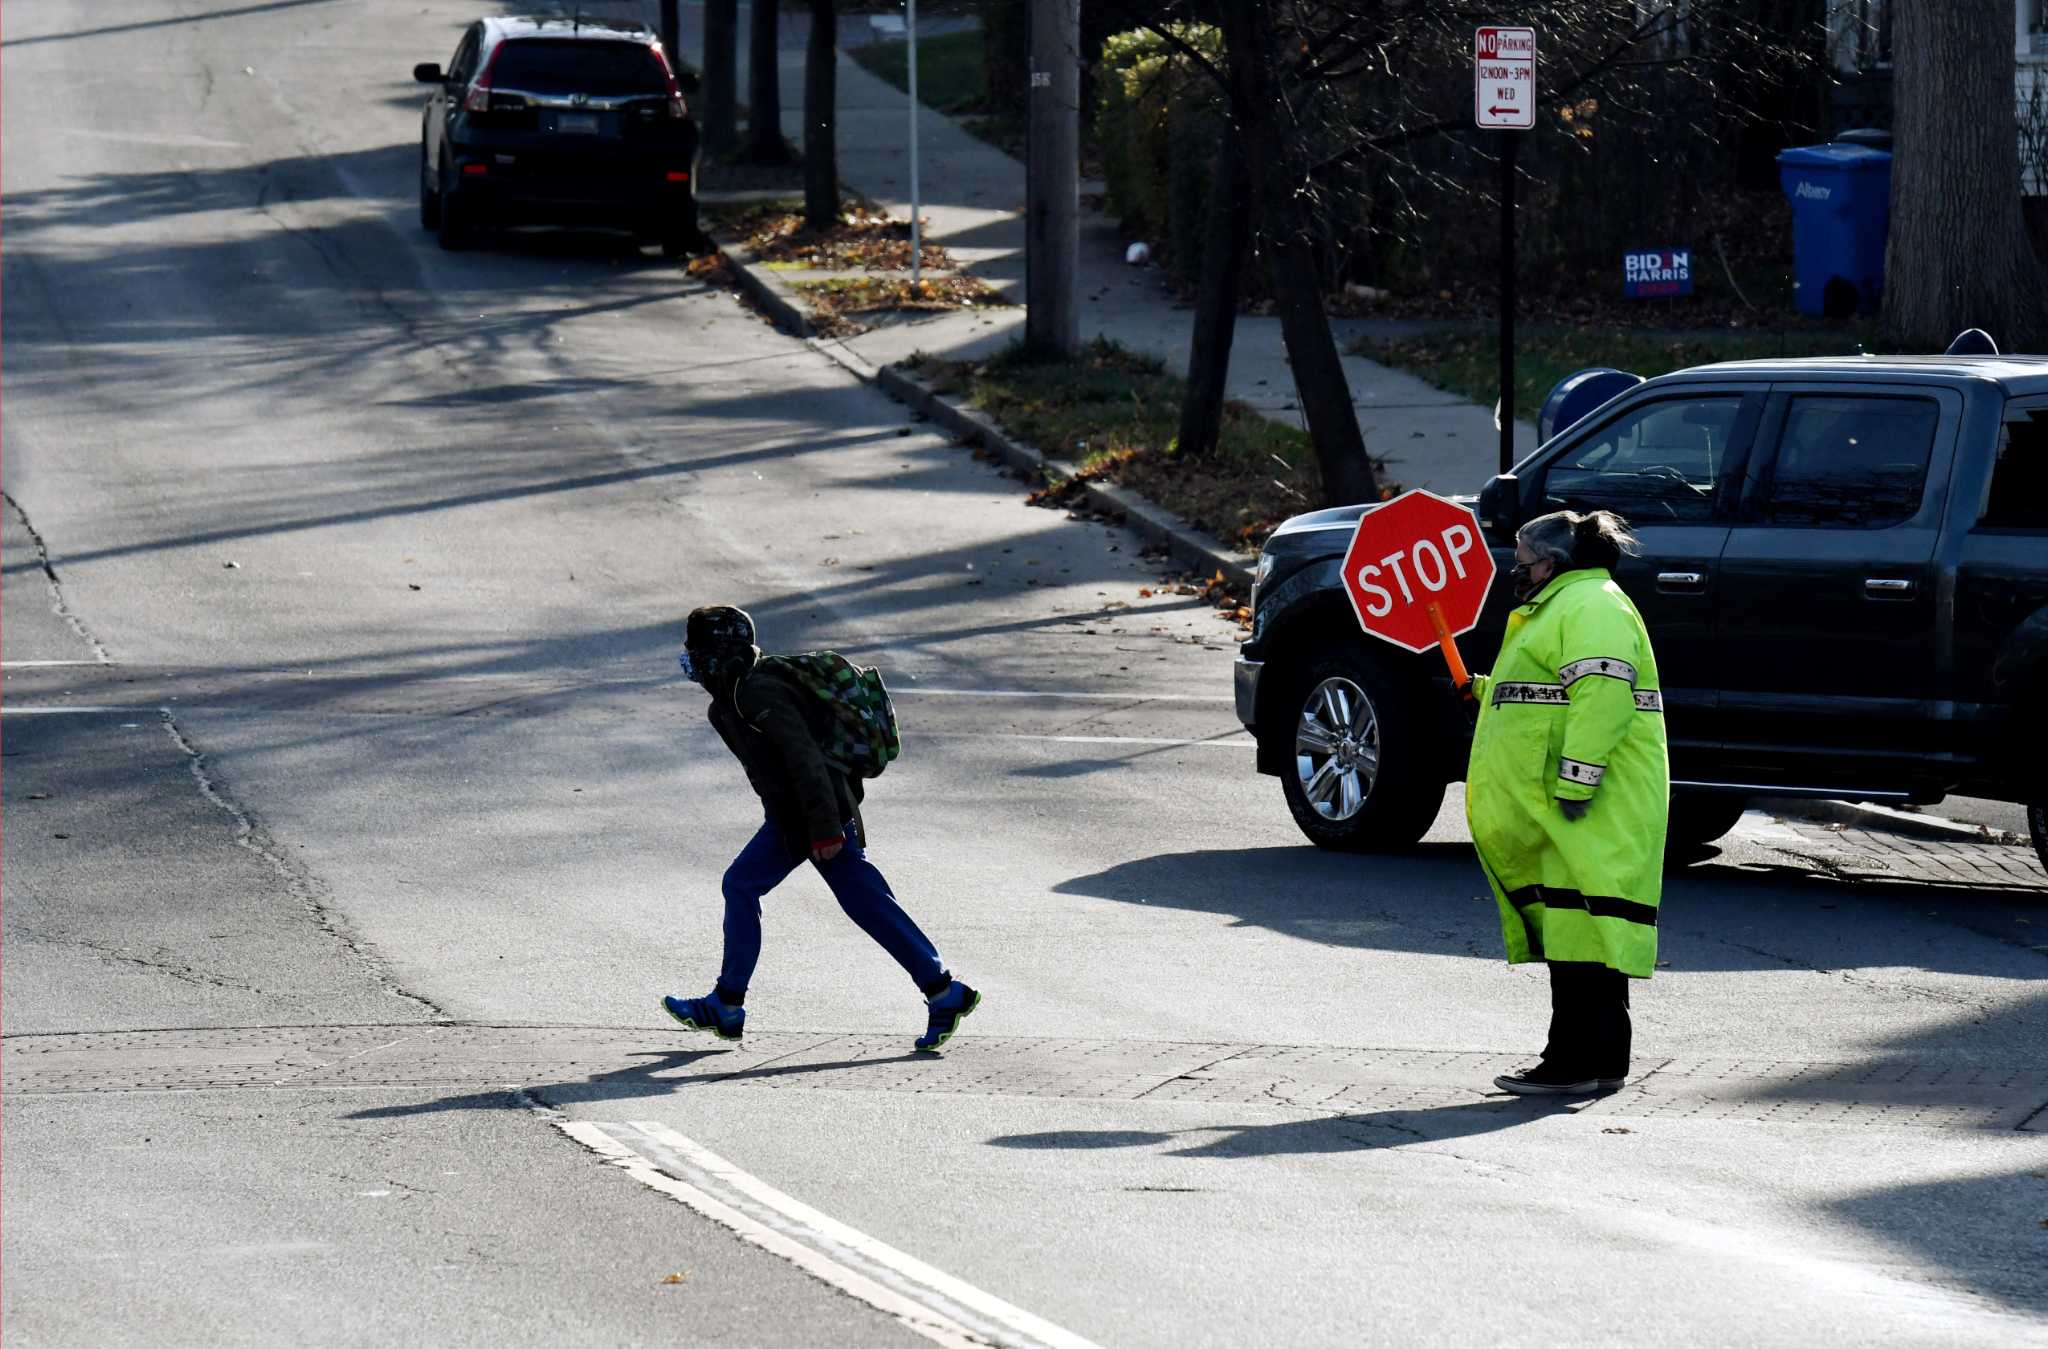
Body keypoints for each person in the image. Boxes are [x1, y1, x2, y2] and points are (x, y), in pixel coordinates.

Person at [662, 606, 981, 1052]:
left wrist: (826, 827)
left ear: (717, 651)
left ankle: (729, 1003)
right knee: (850, 900)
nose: (689, 658)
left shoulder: (756, 693)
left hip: (818, 816)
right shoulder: (728, 703)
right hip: (796, 819)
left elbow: (804, 759)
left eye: (695, 648)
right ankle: (943, 992)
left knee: (841, 899)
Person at [1465, 510, 1669, 1095]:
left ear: (1552, 563)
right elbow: (1549, 692)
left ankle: (1574, 1064)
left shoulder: (1589, 606)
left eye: (1522, 563)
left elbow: (1603, 696)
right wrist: (1481, 691)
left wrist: (1577, 785)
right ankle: (1594, 1060)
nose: (1516, 573)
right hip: (1570, 806)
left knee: (1582, 937)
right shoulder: (1570, 606)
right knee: (1579, 935)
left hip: (1585, 804)